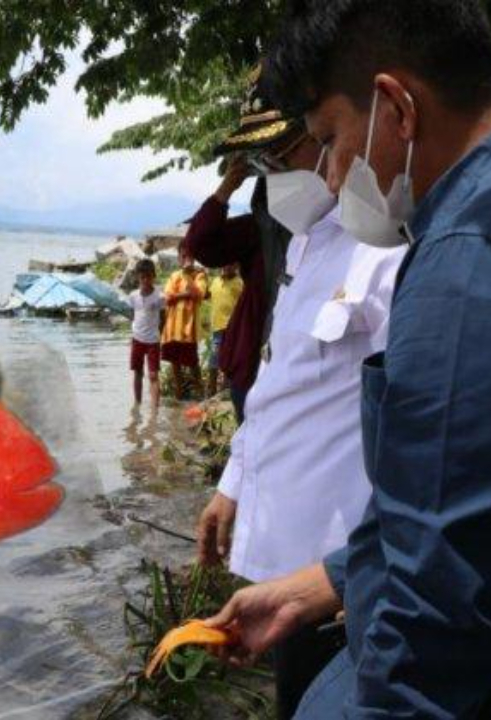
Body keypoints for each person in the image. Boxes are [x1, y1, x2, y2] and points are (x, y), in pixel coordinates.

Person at [204, 2, 491, 718]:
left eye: (330, 138)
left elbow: (434, 617)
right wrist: (327, 582)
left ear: (396, 108)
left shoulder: (476, 263)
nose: (329, 178)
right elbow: (485, 496)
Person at [194, 111, 406, 720]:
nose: (270, 179)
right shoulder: (308, 242)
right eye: (257, 167)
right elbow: (277, 384)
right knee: (293, 696)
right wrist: (233, 483)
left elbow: (409, 425)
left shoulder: (386, 246)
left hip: (336, 568)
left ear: (328, 141)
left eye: (276, 160)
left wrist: (351, 573)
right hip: (284, 550)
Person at [186, 67, 301, 421]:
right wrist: (225, 189)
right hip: (251, 366)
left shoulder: (341, 229)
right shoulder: (260, 228)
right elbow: (202, 244)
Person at [160, 249, 208, 399]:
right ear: (179, 258)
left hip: (189, 329)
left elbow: (198, 295)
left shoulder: (200, 275)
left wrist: (187, 278)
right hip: (173, 328)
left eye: (190, 256)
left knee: (193, 362)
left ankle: (201, 394)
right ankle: (179, 395)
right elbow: (167, 298)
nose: (187, 259)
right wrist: (185, 294)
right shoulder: (174, 276)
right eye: (184, 256)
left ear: (193, 258)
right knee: (175, 363)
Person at [128, 259, 164, 409]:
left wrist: (159, 334)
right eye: (142, 277)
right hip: (137, 339)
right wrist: (133, 334)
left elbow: (163, 318)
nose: (145, 280)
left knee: (153, 375)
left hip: (152, 341)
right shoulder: (133, 296)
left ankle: (155, 410)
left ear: (153, 276)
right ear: (138, 277)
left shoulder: (159, 297)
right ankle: (137, 405)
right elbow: (133, 315)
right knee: (137, 373)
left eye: (148, 277)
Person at [204, 263, 243, 397]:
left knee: (228, 361)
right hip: (217, 329)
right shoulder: (215, 281)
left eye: (231, 264)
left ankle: (224, 391)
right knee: (214, 361)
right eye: (225, 263)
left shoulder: (239, 283)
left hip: (232, 329)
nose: (227, 266)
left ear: (236, 266)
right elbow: (206, 295)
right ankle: (211, 391)